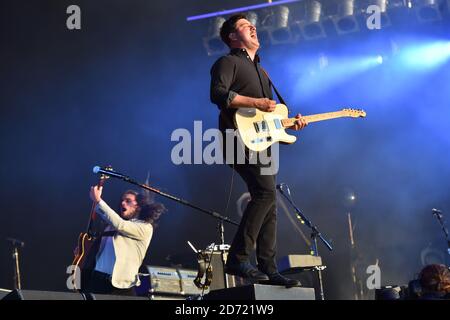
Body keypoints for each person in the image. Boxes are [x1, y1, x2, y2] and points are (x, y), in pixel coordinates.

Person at [210, 14, 308, 287]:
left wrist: (290, 124)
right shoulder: (227, 62)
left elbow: (268, 117)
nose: (253, 27)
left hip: (261, 143)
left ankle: (268, 267)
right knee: (265, 194)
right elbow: (218, 94)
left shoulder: (262, 72)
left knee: (269, 202)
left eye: (252, 25)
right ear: (232, 36)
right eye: (245, 26)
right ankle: (238, 257)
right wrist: (255, 101)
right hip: (237, 139)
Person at [86, 187, 165, 295]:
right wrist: (85, 250)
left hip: (120, 287)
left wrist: (98, 201)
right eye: (122, 200)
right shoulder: (112, 226)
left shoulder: (145, 227)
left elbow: (121, 225)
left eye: (128, 201)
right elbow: (101, 248)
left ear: (138, 207)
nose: (123, 203)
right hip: (97, 280)